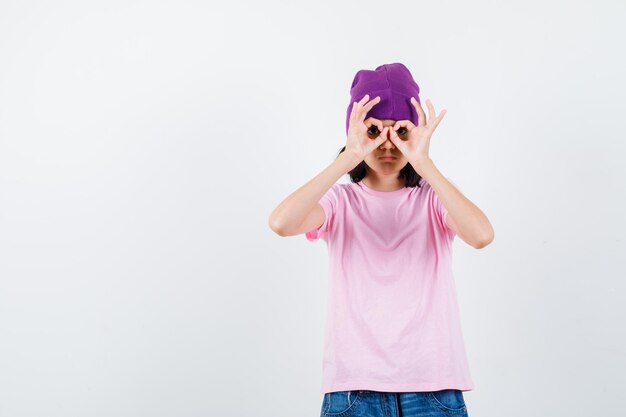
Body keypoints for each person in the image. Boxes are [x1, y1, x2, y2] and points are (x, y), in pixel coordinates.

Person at [268, 63, 494, 417]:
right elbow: (281, 222)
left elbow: (481, 235)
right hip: (354, 390)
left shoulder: (433, 199)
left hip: (433, 387)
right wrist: (348, 156)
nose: (387, 144)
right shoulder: (340, 202)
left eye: (400, 132)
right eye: (373, 130)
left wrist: (424, 162)